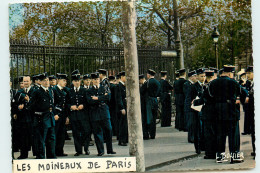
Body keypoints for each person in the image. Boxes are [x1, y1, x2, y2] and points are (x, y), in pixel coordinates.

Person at [205, 65, 248, 163]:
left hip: (218, 111)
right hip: (231, 110)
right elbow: (243, 94)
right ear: (230, 73)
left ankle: (220, 156)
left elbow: (208, 96)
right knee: (233, 135)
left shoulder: (213, 83)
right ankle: (235, 156)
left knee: (220, 134)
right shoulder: (233, 82)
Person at [86, 72, 116, 156]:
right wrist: (102, 98)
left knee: (109, 129)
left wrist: (97, 98)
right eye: (94, 79)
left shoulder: (104, 88)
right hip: (95, 113)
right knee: (97, 132)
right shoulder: (89, 91)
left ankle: (110, 149)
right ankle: (100, 150)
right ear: (92, 80)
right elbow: (90, 101)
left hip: (104, 111)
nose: (96, 81)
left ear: (99, 79)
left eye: (97, 79)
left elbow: (108, 97)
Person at [29, 72, 57, 159]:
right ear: (40, 82)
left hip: (50, 117)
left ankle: (51, 156)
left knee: (51, 138)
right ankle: (41, 157)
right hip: (41, 119)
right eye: (44, 81)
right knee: (41, 140)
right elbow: (31, 106)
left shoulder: (50, 90)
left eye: (47, 80)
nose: (47, 82)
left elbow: (52, 104)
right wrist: (38, 114)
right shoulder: (36, 92)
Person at [193, 70, 216, 159]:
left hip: (208, 113)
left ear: (207, 77)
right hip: (216, 112)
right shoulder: (216, 85)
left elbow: (204, 99)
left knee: (208, 134)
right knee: (215, 133)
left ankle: (210, 153)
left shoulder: (208, 87)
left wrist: (195, 102)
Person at [67, 72, 91, 156]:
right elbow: (67, 103)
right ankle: (78, 150)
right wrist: (70, 107)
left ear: (80, 81)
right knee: (76, 133)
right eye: (75, 81)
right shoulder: (69, 91)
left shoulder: (85, 90)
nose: (77, 82)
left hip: (83, 116)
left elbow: (89, 102)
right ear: (72, 82)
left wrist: (83, 105)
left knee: (86, 132)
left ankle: (86, 148)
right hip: (74, 116)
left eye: (78, 81)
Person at [14, 75, 34, 159]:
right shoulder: (19, 92)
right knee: (23, 137)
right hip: (22, 118)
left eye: (27, 81)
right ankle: (23, 154)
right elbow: (14, 104)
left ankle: (38, 154)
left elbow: (37, 104)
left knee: (33, 137)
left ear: (30, 82)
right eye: (24, 81)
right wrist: (18, 107)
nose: (25, 83)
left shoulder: (34, 91)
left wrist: (29, 100)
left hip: (32, 117)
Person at [52, 73, 69, 156]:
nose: (65, 82)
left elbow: (65, 105)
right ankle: (54, 151)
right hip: (56, 115)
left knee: (62, 134)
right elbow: (52, 104)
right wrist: (55, 114)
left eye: (65, 81)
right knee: (55, 133)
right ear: (58, 80)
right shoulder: (54, 90)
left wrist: (66, 116)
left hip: (62, 115)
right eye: (63, 80)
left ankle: (60, 151)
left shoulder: (64, 90)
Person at [140, 69, 161, 139]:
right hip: (155, 100)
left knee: (148, 118)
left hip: (148, 101)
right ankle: (153, 134)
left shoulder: (147, 82)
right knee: (154, 118)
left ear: (148, 75)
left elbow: (142, 91)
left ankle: (147, 133)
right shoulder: (157, 82)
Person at [190, 68, 206, 154]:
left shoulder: (206, 86)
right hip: (196, 111)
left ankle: (204, 146)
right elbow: (190, 99)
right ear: (197, 77)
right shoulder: (193, 86)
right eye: (201, 76)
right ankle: (198, 148)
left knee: (204, 129)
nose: (203, 78)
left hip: (205, 110)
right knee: (198, 130)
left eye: (204, 76)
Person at [183, 70, 197, 143]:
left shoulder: (191, 84)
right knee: (190, 123)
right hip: (189, 106)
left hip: (191, 105)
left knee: (192, 122)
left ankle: (192, 137)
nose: (196, 77)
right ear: (191, 77)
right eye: (195, 76)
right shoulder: (187, 84)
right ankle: (191, 137)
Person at [245, 66, 255, 158]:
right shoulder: (250, 83)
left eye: (249, 73)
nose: (247, 75)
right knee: (253, 132)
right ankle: (254, 150)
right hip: (251, 113)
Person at [116, 72, 128, 146]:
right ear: (122, 77)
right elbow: (118, 98)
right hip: (122, 108)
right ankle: (121, 140)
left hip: (125, 106)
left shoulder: (124, 86)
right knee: (122, 125)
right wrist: (122, 108)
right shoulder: (118, 86)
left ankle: (125, 139)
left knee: (125, 124)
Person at [139, 74, 147, 139]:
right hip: (145, 104)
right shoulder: (146, 84)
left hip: (144, 104)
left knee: (144, 119)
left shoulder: (145, 85)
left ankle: (145, 134)